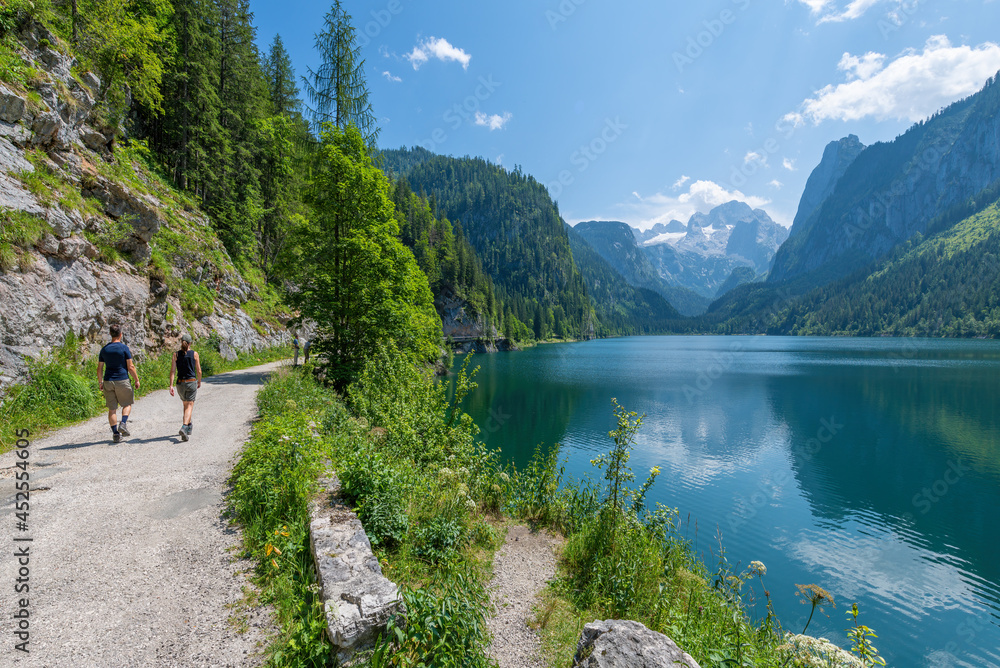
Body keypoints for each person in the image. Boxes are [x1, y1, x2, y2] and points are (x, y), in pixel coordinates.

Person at [97, 323, 140, 443]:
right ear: (121, 334)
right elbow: (130, 366)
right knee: (127, 404)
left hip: (108, 380)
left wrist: (100, 382)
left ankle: (115, 434)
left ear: (110, 334)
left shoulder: (104, 349)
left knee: (112, 409)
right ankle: (123, 423)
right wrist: (136, 379)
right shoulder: (124, 348)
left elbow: (99, 368)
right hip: (122, 380)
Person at [169, 334, 202, 442]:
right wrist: (199, 381)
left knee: (185, 404)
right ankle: (184, 427)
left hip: (180, 383)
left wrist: (171, 385)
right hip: (191, 382)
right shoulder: (194, 354)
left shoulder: (176, 355)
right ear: (190, 343)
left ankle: (189, 425)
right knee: (190, 405)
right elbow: (199, 371)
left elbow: (173, 371)